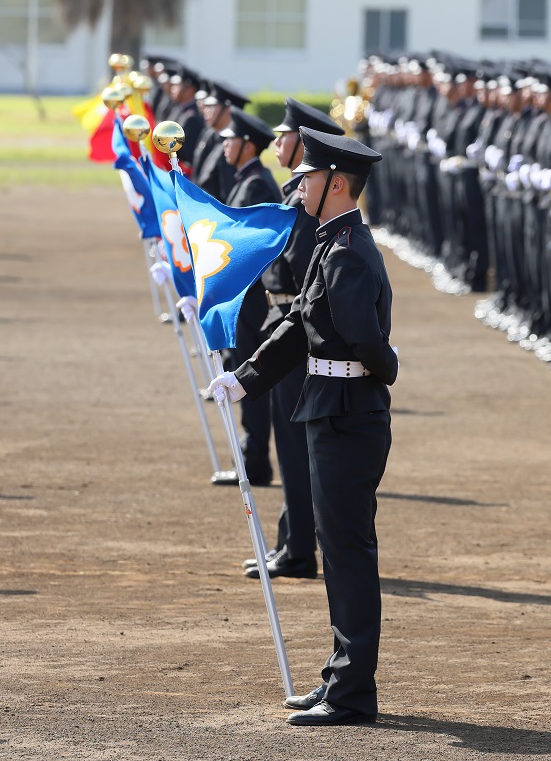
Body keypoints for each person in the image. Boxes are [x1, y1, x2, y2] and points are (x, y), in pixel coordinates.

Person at [210, 127, 397, 726]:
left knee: (347, 553)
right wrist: (246, 377)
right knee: (340, 554)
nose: (299, 187)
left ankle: (351, 694)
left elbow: (365, 340)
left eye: (309, 178)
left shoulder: (347, 251)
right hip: (332, 408)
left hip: (349, 414)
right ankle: (339, 680)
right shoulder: (330, 242)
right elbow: (296, 325)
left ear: (336, 184)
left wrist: (388, 367)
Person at [243, 98, 345, 581]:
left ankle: (300, 548)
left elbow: (297, 270)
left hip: (292, 324)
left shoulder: (306, 200)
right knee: (289, 448)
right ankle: (292, 539)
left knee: (294, 448)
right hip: (281, 317)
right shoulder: (294, 193)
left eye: (284, 136)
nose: (277, 143)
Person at [219, 108, 280, 487]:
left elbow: (253, 246)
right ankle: (250, 454)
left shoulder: (256, 183)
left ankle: (256, 461)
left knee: (250, 379)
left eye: (231, 139)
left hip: (252, 298)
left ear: (248, 145)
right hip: (244, 295)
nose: (225, 144)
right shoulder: (247, 179)